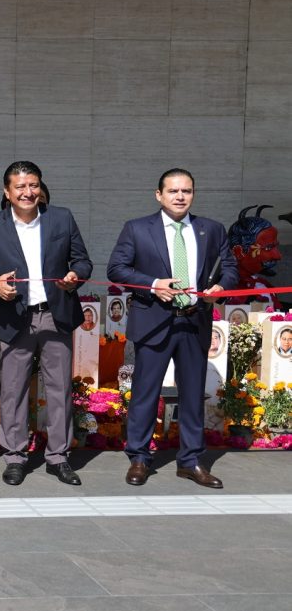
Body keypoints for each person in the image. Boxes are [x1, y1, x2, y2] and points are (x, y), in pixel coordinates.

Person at [108, 167, 237, 488]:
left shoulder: (212, 229)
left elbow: (230, 268)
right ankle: (139, 457)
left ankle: (191, 461)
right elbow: (116, 268)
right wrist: (152, 284)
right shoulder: (137, 229)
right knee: (145, 393)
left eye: (187, 191)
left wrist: (221, 287)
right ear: (159, 195)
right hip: (154, 321)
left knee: (193, 394)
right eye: (173, 191)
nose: (180, 197)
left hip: (195, 320)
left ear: (193, 194)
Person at [0, 161, 92, 486]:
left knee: (60, 389)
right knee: (12, 391)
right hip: (15, 319)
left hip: (55, 314)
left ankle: (58, 457)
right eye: (20, 187)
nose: (28, 192)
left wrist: (74, 276)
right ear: (7, 192)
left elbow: (82, 260)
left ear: (40, 188)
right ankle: (14, 457)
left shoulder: (61, 218)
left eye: (34, 185)